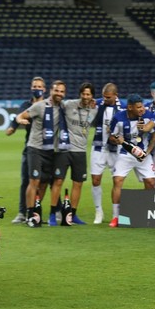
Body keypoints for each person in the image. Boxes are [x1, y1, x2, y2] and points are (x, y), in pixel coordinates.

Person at [15, 80, 67, 227]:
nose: (59, 94)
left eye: (62, 91)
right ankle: (29, 214)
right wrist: (21, 120)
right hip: (35, 148)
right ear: (51, 91)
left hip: (50, 150)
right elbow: (21, 116)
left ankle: (36, 212)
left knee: (44, 183)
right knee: (34, 181)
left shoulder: (62, 107)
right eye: (57, 90)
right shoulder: (39, 106)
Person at [50, 82, 98, 225]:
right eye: (83, 94)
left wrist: (97, 102)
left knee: (78, 183)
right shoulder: (69, 104)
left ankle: (73, 214)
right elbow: (56, 100)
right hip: (64, 149)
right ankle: (53, 214)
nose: (85, 96)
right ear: (80, 94)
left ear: (92, 96)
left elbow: (107, 100)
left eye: (88, 94)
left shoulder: (94, 109)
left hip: (80, 151)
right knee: (58, 181)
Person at [108, 94, 155, 227]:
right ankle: (115, 217)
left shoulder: (148, 116)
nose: (142, 109)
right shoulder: (118, 118)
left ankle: (148, 213)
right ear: (130, 107)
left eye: (142, 106)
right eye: (139, 107)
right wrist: (117, 140)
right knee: (117, 180)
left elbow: (154, 137)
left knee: (151, 182)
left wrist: (147, 152)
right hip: (125, 154)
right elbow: (111, 136)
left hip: (143, 154)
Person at [6, 77, 46, 223]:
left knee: (49, 180)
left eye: (39, 86)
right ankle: (22, 212)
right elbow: (15, 121)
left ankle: (53, 211)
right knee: (26, 181)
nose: (37, 88)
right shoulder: (26, 105)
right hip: (30, 148)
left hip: (47, 148)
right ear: (31, 88)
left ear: (45, 89)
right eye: (35, 86)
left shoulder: (48, 104)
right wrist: (12, 127)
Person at [90, 83, 122, 224]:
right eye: (103, 96)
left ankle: (116, 214)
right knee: (95, 179)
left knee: (117, 181)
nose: (105, 99)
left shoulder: (123, 107)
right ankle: (99, 211)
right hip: (98, 147)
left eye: (108, 97)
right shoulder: (98, 105)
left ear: (115, 96)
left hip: (115, 150)